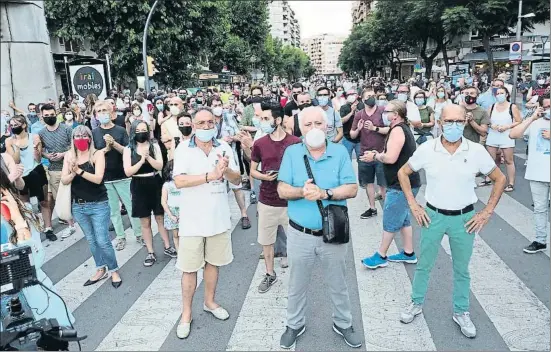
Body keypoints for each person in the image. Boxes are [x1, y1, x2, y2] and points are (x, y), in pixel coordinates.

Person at [397, 104, 506, 338]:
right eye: (449, 121)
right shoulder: (428, 149)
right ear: (439, 122)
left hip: (464, 218)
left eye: (458, 121)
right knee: (424, 264)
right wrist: (413, 205)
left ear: (465, 122)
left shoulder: (476, 150)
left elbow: (500, 178)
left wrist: (486, 212)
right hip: (433, 216)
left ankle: (461, 311)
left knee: (461, 269)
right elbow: (403, 172)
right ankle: (415, 303)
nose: (453, 126)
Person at [277, 106, 362, 349]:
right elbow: (282, 189)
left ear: (327, 126)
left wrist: (325, 193)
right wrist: (301, 192)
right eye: (307, 124)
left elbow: (352, 188)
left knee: (338, 282)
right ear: (299, 128)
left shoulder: (339, 153)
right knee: (297, 283)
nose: (313, 129)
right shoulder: (292, 153)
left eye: (318, 123)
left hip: (333, 231)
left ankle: (343, 322)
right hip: (299, 233)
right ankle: (294, 324)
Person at [172, 108, 242, 339]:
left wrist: (226, 170)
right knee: (189, 268)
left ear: (216, 123)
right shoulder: (183, 148)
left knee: (213, 264)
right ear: (192, 124)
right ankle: (186, 314)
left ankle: (210, 302)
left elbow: (238, 180)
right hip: (192, 222)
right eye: (200, 123)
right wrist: (209, 176)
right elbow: (179, 181)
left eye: (209, 122)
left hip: (218, 219)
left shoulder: (223, 147)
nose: (205, 127)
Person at [0, 164, 75, 350]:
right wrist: (20, 224)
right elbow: (33, 260)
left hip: (34, 297)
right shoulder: (15, 210)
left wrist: (19, 223)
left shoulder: (14, 208)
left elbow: (34, 260)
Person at [360, 100, 421, 269]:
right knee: (404, 220)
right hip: (406, 182)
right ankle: (408, 252)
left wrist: (375, 156)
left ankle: (381, 255)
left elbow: (390, 158)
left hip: (400, 184)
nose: (383, 113)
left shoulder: (398, 131)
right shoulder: (400, 128)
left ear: (396, 115)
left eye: (387, 111)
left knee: (391, 220)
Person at [60, 125, 122, 288]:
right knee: (91, 240)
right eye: (77, 136)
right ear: (72, 139)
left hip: (98, 204)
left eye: (84, 135)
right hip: (78, 206)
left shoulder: (97, 154)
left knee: (102, 240)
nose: (80, 138)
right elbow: (64, 180)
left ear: (89, 138)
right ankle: (100, 268)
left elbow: (98, 179)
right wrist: (72, 171)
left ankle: (113, 270)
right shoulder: (69, 156)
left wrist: (78, 171)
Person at [250, 102, 301, 293]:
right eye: (261, 118)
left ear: (278, 120)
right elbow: (253, 171)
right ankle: (270, 273)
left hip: (292, 203)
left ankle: (298, 278)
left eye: (265, 119)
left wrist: (287, 177)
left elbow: (302, 170)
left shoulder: (295, 142)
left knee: (296, 242)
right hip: (267, 201)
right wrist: (265, 176)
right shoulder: (259, 144)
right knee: (266, 242)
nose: (261, 122)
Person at [92, 100, 143, 251]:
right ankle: (120, 236)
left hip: (123, 175)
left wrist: (114, 144)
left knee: (131, 206)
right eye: (99, 111)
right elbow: (93, 155)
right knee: (113, 210)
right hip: (105, 177)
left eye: (105, 110)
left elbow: (128, 151)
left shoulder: (120, 131)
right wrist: (104, 150)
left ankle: (139, 233)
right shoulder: (94, 133)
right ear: (95, 115)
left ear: (112, 113)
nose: (102, 113)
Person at [123, 120, 175, 267]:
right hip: (138, 185)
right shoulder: (129, 149)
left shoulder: (154, 145)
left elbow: (160, 165)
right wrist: (141, 160)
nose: (141, 133)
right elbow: (128, 171)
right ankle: (150, 252)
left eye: (143, 130)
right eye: (138, 130)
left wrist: (149, 157)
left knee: (160, 217)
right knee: (145, 221)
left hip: (154, 182)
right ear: (133, 132)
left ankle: (167, 246)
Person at [509, 93, 550, 254]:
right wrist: (532, 118)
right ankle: (540, 240)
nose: (548, 110)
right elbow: (514, 134)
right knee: (540, 209)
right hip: (537, 173)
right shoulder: (535, 122)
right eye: (545, 107)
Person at [38, 104, 77, 240]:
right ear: (42, 117)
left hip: (70, 166)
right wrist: (47, 156)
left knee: (75, 195)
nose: (50, 117)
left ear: (56, 114)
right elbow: (40, 150)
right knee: (60, 197)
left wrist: (63, 154)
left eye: (52, 114)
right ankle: (70, 224)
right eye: (46, 116)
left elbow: (74, 147)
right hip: (54, 169)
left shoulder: (66, 129)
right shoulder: (41, 133)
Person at [350, 88, 388, 219]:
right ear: (362, 99)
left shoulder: (383, 111)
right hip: (365, 153)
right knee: (368, 183)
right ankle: (372, 208)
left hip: (381, 153)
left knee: (383, 184)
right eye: (368, 96)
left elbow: (391, 129)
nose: (371, 98)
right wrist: (359, 129)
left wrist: (374, 128)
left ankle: (388, 209)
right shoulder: (359, 114)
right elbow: (352, 134)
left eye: (373, 95)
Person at [485, 87, 521, 192]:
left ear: (506, 94)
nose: (499, 95)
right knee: (492, 159)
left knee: (508, 160)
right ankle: (492, 179)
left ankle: (510, 183)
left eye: (502, 93)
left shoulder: (512, 107)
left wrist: (507, 126)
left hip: (506, 135)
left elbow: (519, 121)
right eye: (498, 93)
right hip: (493, 135)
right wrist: (492, 126)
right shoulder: (492, 106)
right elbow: (487, 120)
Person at [161, 159, 180, 255]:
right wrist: (171, 215)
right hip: (172, 212)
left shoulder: (183, 183)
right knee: (176, 235)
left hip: (184, 211)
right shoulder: (167, 185)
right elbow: (163, 202)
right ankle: (179, 254)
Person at [340, 89, 364, 160]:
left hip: (361, 139)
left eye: (352, 94)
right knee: (346, 160)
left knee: (362, 161)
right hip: (347, 138)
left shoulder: (363, 106)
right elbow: (341, 121)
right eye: (348, 95)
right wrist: (351, 112)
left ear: (357, 95)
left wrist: (356, 111)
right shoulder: (344, 107)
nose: (350, 96)